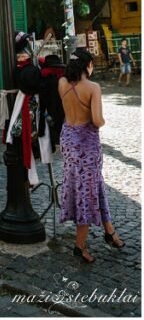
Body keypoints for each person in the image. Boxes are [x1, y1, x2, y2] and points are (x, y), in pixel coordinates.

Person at [58, 49, 125, 263]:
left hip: (68, 138)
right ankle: (80, 246)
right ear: (88, 65)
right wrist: (104, 121)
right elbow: (96, 120)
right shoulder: (93, 87)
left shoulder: (61, 83)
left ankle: (110, 231)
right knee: (86, 192)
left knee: (92, 186)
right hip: (86, 144)